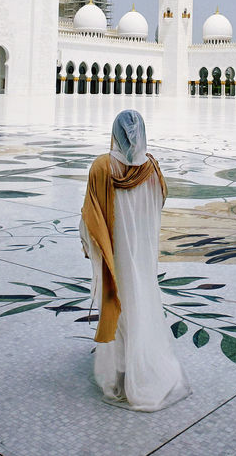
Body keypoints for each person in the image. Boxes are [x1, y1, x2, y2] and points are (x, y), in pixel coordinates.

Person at [80, 109, 190, 411]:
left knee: (118, 303)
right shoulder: (152, 168)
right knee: (139, 302)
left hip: (116, 254)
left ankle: (119, 375)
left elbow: (90, 216)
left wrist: (93, 245)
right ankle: (141, 365)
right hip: (140, 254)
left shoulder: (103, 166)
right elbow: (157, 204)